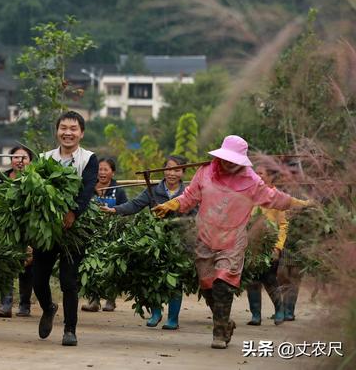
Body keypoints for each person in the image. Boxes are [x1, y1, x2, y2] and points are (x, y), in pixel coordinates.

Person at [152, 135, 311, 349]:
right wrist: (171, 204)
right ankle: (225, 323)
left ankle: (218, 334)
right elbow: (189, 197)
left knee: (222, 285)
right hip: (205, 238)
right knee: (208, 288)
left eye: (233, 160)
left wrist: (299, 203)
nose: (228, 163)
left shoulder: (252, 181)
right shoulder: (205, 172)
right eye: (226, 158)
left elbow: (274, 197)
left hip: (232, 241)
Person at [101, 155, 194, 330]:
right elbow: (135, 204)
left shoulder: (189, 192)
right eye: (168, 169)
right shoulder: (154, 190)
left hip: (180, 240)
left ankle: (173, 318)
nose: (172, 173)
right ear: (162, 170)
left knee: (176, 279)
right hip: (155, 239)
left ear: (183, 172)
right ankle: (156, 313)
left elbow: (196, 213)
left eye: (177, 169)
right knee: (153, 276)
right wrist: (114, 209)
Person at [34, 111, 98, 347]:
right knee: (38, 279)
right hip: (48, 229)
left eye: (73, 128)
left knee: (68, 281)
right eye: (63, 128)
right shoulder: (44, 158)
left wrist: (73, 213)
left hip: (74, 229)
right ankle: (48, 307)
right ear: (57, 130)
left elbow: (88, 188)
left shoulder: (88, 159)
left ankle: (70, 329)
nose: (67, 133)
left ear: (81, 133)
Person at [0, 146, 35, 318]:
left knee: (27, 267)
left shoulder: (35, 179)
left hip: (29, 229)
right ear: (11, 160)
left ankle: (24, 304)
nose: (20, 161)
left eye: (24, 158)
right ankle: (6, 304)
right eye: (16, 157)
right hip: (5, 229)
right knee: (6, 263)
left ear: (30, 161)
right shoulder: (1, 179)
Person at [81, 157, 127, 313]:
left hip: (112, 233)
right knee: (91, 265)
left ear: (112, 172)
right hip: (90, 232)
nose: (102, 172)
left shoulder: (118, 190)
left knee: (110, 266)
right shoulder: (88, 187)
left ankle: (110, 299)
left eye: (105, 169)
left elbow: (124, 210)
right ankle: (93, 299)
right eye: (99, 169)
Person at [246, 164, 288, 326]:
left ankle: (279, 310)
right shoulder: (250, 195)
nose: (258, 176)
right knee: (251, 280)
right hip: (251, 244)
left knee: (269, 279)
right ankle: (255, 315)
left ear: (270, 176)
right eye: (255, 173)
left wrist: (278, 246)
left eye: (261, 173)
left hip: (270, 245)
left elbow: (284, 225)